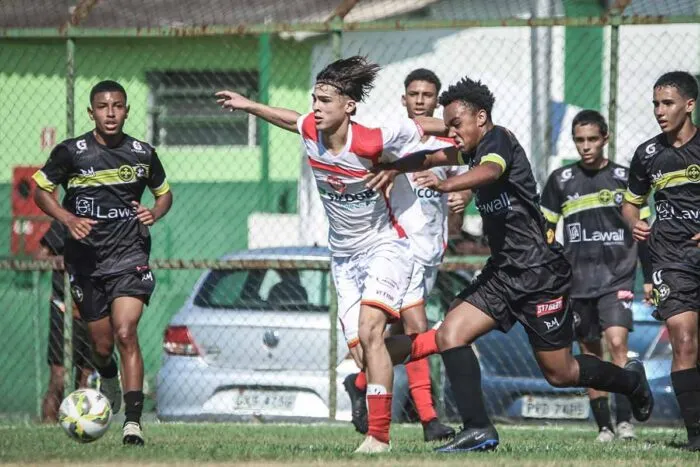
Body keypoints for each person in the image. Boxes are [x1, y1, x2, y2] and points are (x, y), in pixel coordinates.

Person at [367, 76, 654, 453]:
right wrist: (395, 166)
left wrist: (447, 187)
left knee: (561, 373)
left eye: (456, 124)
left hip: (539, 274)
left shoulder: (498, 139)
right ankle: (478, 429)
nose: (451, 132)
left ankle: (630, 382)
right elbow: (433, 156)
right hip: (503, 272)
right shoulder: (468, 149)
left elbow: (491, 171)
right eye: (448, 125)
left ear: (480, 117)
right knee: (452, 332)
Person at [217, 56, 444, 453]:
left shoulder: (372, 139)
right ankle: (439, 339)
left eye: (324, 100)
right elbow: (290, 119)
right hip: (343, 256)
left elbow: (423, 125)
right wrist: (248, 104)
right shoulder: (311, 130)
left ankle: (378, 437)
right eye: (314, 99)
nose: (316, 107)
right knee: (363, 353)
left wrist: (469, 126)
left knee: (372, 332)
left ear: (349, 107)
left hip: (385, 245)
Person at [32, 80, 173, 445]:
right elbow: (40, 190)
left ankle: (133, 422)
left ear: (127, 110)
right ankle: (106, 376)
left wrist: (154, 212)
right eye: (103, 106)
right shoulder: (71, 153)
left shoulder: (142, 153)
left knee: (127, 332)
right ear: (91, 111)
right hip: (86, 263)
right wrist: (67, 219)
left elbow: (165, 194)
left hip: (130, 257)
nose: (111, 113)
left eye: (118, 106)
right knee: (101, 347)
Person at [343, 68, 468, 442]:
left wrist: (463, 197)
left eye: (427, 95)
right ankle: (429, 420)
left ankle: (361, 382)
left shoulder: (449, 144)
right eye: (413, 94)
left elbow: (461, 189)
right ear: (403, 99)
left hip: (431, 251)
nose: (419, 100)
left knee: (392, 338)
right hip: (400, 249)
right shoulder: (396, 140)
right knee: (417, 326)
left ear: (437, 101)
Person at [540, 109, 652, 442]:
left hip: (617, 277)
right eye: (579, 140)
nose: (585, 146)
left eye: (592, 139)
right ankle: (603, 426)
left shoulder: (625, 178)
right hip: (577, 282)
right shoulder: (560, 181)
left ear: (605, 139)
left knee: (618, 342)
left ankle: (625, 422)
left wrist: (647, 275)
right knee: (589, 354)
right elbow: (546, 229)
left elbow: (643, 228)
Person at [622, 71, 700, 451]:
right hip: (671, 259)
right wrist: (634, 222)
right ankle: (696, 437)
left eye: (667, 103)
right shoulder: (648, 154)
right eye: (655, 103)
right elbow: (630, 203)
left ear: (689, 104)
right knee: (684, 340)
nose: (659, 111)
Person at [38, 220, 95, 423]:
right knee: (59, 377)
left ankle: (82, 426)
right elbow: (42, 257)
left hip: (93, 310)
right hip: (64, 309)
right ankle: (47, 427)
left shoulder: (110, 216)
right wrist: (66, 261)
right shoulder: (66, 220)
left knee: (86, 379)